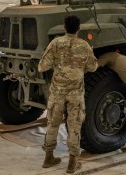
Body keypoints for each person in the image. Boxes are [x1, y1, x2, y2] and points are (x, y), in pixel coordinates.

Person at [38, 15, 97, 173]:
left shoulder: (56, 43)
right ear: (79, 28)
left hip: (57, 92)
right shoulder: (84, 45)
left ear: (64, 27)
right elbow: (93, 67)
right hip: (75, 94)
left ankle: (48, 157)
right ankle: (72, 162)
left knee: (52, 124)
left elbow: (42, 67)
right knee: (74, 126)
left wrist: (57, 65)